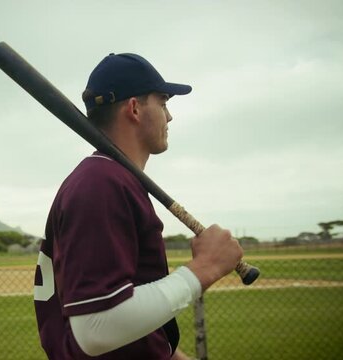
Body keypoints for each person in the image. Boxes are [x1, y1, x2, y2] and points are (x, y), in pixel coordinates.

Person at [33, 52, 244, 360]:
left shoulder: (113, 180)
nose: (169, 116)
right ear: (134, 108)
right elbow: (96, 329)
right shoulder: (101, 183)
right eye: (163, 102)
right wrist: (204, 269)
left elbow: (129, 326)